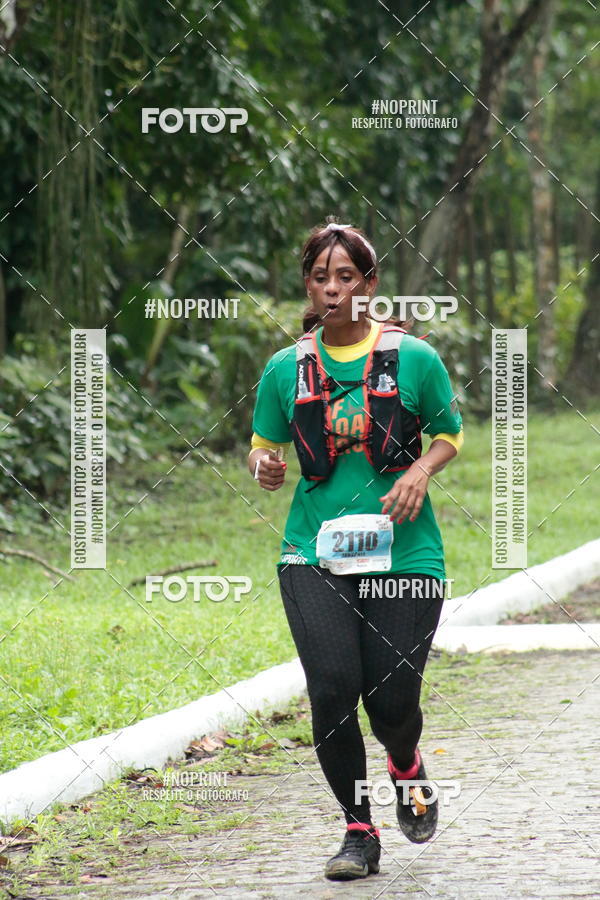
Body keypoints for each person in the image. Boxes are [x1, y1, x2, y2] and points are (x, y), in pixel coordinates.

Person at [248, 218, 463, 881]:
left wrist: (419, 471)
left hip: (406, 555)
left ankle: (405, 764)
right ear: (308, 287)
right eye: (321, 278)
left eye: (346, 276)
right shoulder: (285, 369)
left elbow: (449, 433)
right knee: (333, 688)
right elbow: (263, 445)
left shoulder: (414, 359)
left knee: (391, 704)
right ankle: (358, 830)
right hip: (313, 553)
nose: (333, 289)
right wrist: (264, 466)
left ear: (369, 284)